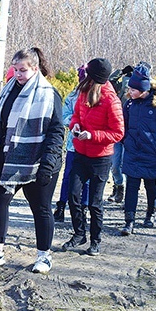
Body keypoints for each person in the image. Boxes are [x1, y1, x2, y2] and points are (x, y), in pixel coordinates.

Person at [0, 47, 64, 274]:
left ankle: (44, 255)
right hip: (7, 159)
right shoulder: (8, 90)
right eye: (15, 69)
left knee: (41, 208)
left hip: (39, 161)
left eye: (22, 70)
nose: (18, 74)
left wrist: (48, 162)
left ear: (35, 68)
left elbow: (55, 131)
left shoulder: (48, 93)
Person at [62, 58, 124, 256]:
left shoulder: (111, 100)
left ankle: (95, 240)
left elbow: (118, 133)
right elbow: (76, 116)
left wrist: (93, 135)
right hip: (81, 152)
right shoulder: (82, 92)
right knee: (73, 194)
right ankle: (79, 234)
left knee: (95, 203)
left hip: (100, 157)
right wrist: (76, 126)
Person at [120, 65, 156, 235]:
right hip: (132, 153)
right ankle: (129, 221)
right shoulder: (129, 105)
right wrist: (126, 142)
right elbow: (122, 126)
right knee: (131, 186)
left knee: (150, 185)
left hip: (152, 154)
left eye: (132, 89)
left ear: (142, 89)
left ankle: (150, 213)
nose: (129, 91)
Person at [53, 65, 89, 223]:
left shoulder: (99, 96)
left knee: (87, 179)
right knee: (68, 176)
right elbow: (64, 115)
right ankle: (61, 205)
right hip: (73, 144)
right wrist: (74, 124)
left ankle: (84, 207)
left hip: (90, 144)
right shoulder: (73, 96)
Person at [106, 64, 134, 204]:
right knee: (115, 164)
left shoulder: (139, 89)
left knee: (128, 165)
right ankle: (118, 187)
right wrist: (121, 72)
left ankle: (129, 193)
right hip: (117, 130)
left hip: (132, 132)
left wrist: (143, 72)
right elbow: (109, 82)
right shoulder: (120, 87)